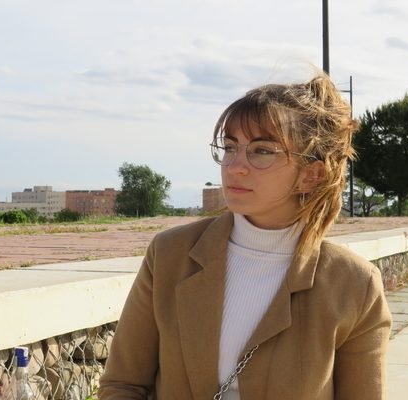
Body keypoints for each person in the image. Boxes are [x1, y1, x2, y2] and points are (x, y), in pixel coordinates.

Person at [98, 72, 392, 400]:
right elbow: (122, 385)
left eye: (262, 151)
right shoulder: (171, 255)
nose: (235, 166)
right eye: (230, 147)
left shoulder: (354, 284)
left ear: (311, 174)